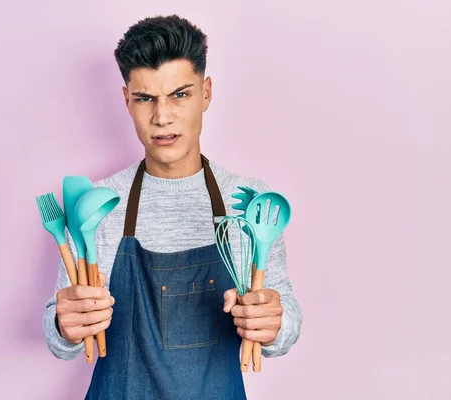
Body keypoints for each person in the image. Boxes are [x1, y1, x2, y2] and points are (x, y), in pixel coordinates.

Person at [43, 14, 302, 399]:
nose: (162, 117)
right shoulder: (96, 205)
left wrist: (273, 322)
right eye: (145, 98)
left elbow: (285, 324)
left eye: (180, 94)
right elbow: (61, 336)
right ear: (127, 100)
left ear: (206, 93)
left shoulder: (249, 204)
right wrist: (65, 325)